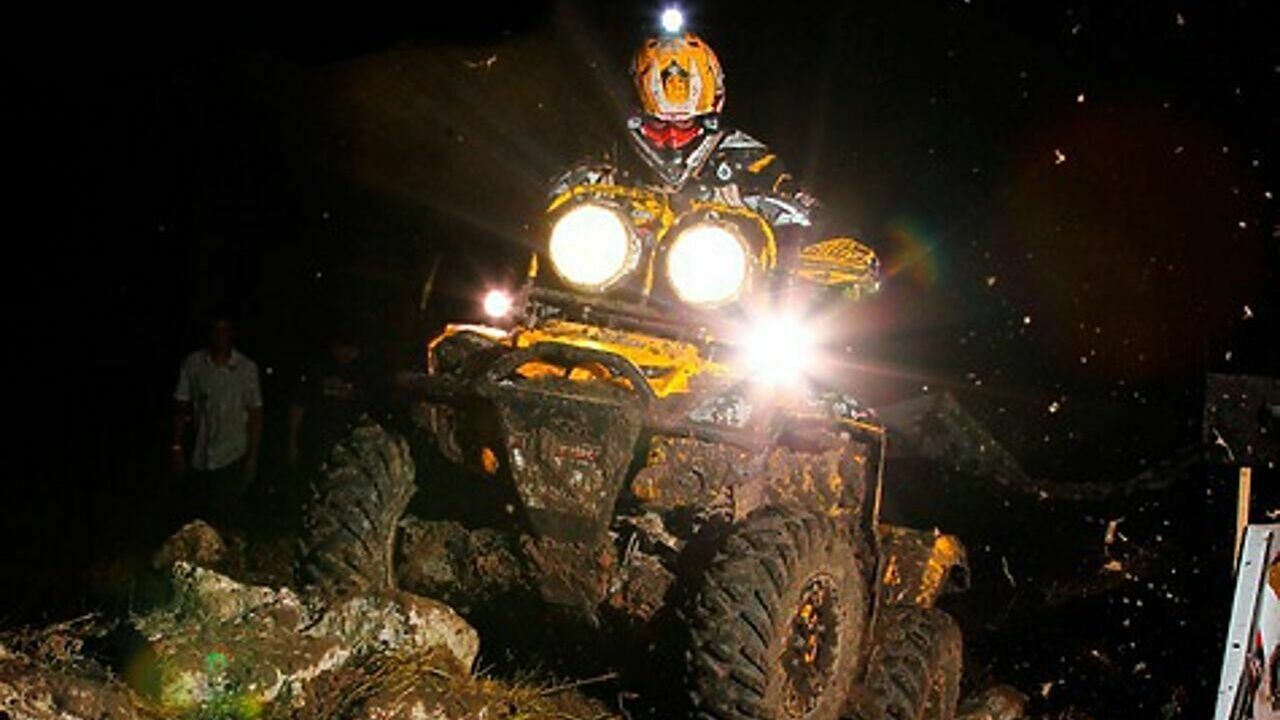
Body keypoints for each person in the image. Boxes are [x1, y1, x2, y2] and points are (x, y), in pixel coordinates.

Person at [550, 25, 822, 265]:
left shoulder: (747, 158)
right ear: (635, 115)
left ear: (710, 116)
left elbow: (805, 218)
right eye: (658, 124)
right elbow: (546, 204)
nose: (671, 136)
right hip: (604, 279)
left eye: (684, 124)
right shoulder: (604, 151)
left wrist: (790, 229)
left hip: (715, 290)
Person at [170, 313, 262, 530]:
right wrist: (176, 446)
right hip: (201, 452)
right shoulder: (193, 364)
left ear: (232, 334)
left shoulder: (246, 368)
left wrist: (252, 458)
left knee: (225, 512)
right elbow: (181, 405)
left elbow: (255, 413)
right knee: (197, 513)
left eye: (225, 331)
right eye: (216, 331)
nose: (221, 337)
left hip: (233, 451)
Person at [288, 329, 381, 477]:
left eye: (351, 349)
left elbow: (368, 410)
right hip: (316, 442)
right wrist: (292, 442)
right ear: (334, 347)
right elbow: (299, 406)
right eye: (342, 347)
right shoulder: (318, 370)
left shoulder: (363, 375)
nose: (346, 354)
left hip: (349, 447)